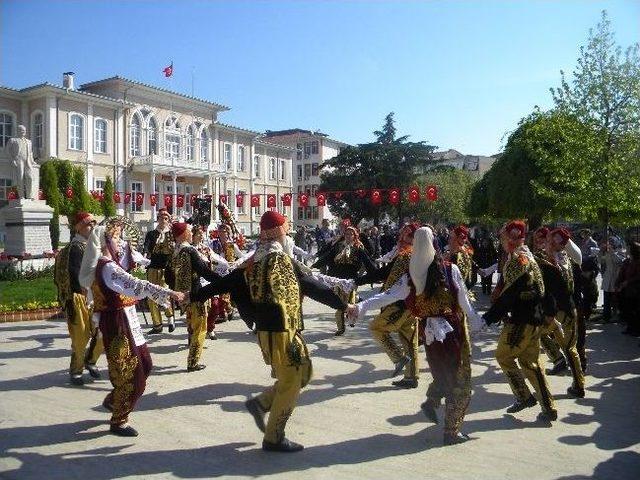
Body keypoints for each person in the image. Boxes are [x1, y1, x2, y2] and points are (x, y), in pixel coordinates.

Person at [191, 210, 352, 452]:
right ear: (279, 233)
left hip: (273, 329)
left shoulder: (254, 260)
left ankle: (262, 403)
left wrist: (193, 295)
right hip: (281, 330)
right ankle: (274, 437)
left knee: (303, 372)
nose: (289, 235)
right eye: (286, 230)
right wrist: (344, 305)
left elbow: (224, 283)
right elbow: (312, 285)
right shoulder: (280, 258)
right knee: (293, 380)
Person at [350, 226, 482, 444]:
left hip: (430, 336)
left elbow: (387, 296)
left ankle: (432, 403)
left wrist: (361, 306)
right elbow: (465, 303)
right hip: (453, 333)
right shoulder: (449, 270)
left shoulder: (411, 276)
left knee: (442, 373)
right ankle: (452, 431)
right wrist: (479, 322)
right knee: (460, 381)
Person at [79, 221, 184, 436]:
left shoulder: (111, 263)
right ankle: (119, 420)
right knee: (131, 373)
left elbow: (131, 269)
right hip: (117, 323)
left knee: (144, 364)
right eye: (117, 238)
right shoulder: (107, 266)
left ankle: (114, 401)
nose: (121, 242)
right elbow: (135, 284)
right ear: (106, 242)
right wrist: (169, 293)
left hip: (128, 321)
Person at [482, 220, 557, 422]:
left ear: (510, 239)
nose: (501, 241)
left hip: (522, 320)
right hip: (534, 318)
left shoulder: (518, 259)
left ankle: (523, 395)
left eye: (503, 237)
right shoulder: (525, 255)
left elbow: (512, 294)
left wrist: (488, 318)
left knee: (503, 356)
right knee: (531, 363)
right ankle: (548, 406)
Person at [355, 223, 420, 388]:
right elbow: (383, 273)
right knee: (409, 338)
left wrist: (358, 280)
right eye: (403, 234)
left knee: (376, 327)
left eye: (409, 235)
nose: (404, 237)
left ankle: (398, 357)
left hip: (400, 303)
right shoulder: (413, 254)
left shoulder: (407, 256)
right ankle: (411, 377)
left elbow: (384, 275)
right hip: (412, 304)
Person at [54, 212, 103, 385]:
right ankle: (76, 370)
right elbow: (75, 275)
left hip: (96, 296)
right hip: (78, 298)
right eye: (89, 224)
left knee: (102, 333)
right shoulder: (75, 248)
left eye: (94, 224)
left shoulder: (94, 246)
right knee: (81, 337)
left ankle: (91, 360)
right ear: (78, 227)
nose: (92, 227)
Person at [538, 228, 586, 397]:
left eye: (550, 241)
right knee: (569, 347)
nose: (546, 243)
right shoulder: (566, 259)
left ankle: (576, 382)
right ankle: (576, 382)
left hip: (559, 312)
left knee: (567, 346)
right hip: (568, 309)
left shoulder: (549, 261)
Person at [173, 223, 225, 371]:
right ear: (183, 234)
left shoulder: (176, 250)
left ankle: (192, 358)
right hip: (195, 294)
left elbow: (170, 274)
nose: (191, 233)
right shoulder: (189, 250)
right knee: (200, 328)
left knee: (191, 325)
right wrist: (222, 281)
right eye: (189, 231)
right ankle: (193, 362)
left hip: (183, 295)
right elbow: (204, 270)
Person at [312, 225, 376, 336]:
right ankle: (340, 328)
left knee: (351, 301)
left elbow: (367, 262)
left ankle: (352, 318)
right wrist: (313, 266)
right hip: (338, 278)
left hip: (351, 278)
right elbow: (327, 257)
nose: (348, 236)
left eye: (351, 234)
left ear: (355, 236)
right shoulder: (338, 246)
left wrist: (376, 274)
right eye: (346, 234)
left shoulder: (359, 248)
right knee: (340, 303)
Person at [142, 208, 175, 334]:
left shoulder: (171, 234)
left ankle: (170, 318)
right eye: (161, 217)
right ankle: (157, 324)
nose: (163, 220)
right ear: (158, 219)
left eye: (165, 218)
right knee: (151, 296)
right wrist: (144, 257)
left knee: (163, 294)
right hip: (152, 268)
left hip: (165, 269)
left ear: (168, 220)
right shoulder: (151, 234)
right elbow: (146, 247)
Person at [8, 125, 38, 199]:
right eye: (22, 130)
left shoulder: (28, 141)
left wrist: (32, 161)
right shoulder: (13, 140)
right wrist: (12, 160)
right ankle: (21, 196)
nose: (23, 131)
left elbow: (30, 152)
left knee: (30, 177)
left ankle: (29, 196)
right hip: (19, 160)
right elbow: (7, 151)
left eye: (24, 130)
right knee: (20, 178)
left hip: (27, 161)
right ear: (18, 131)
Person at [616, 242, 640, 337]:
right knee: (626, 309)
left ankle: (636, 329)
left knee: (634, 310)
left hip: (635, 290)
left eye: (629, 248)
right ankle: (630, 327)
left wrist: (628, 282)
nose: (627, 250)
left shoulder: (638, 262)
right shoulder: (627, 261)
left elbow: (638, 276)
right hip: (625, 289)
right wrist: (618, 283)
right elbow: (622, 273)